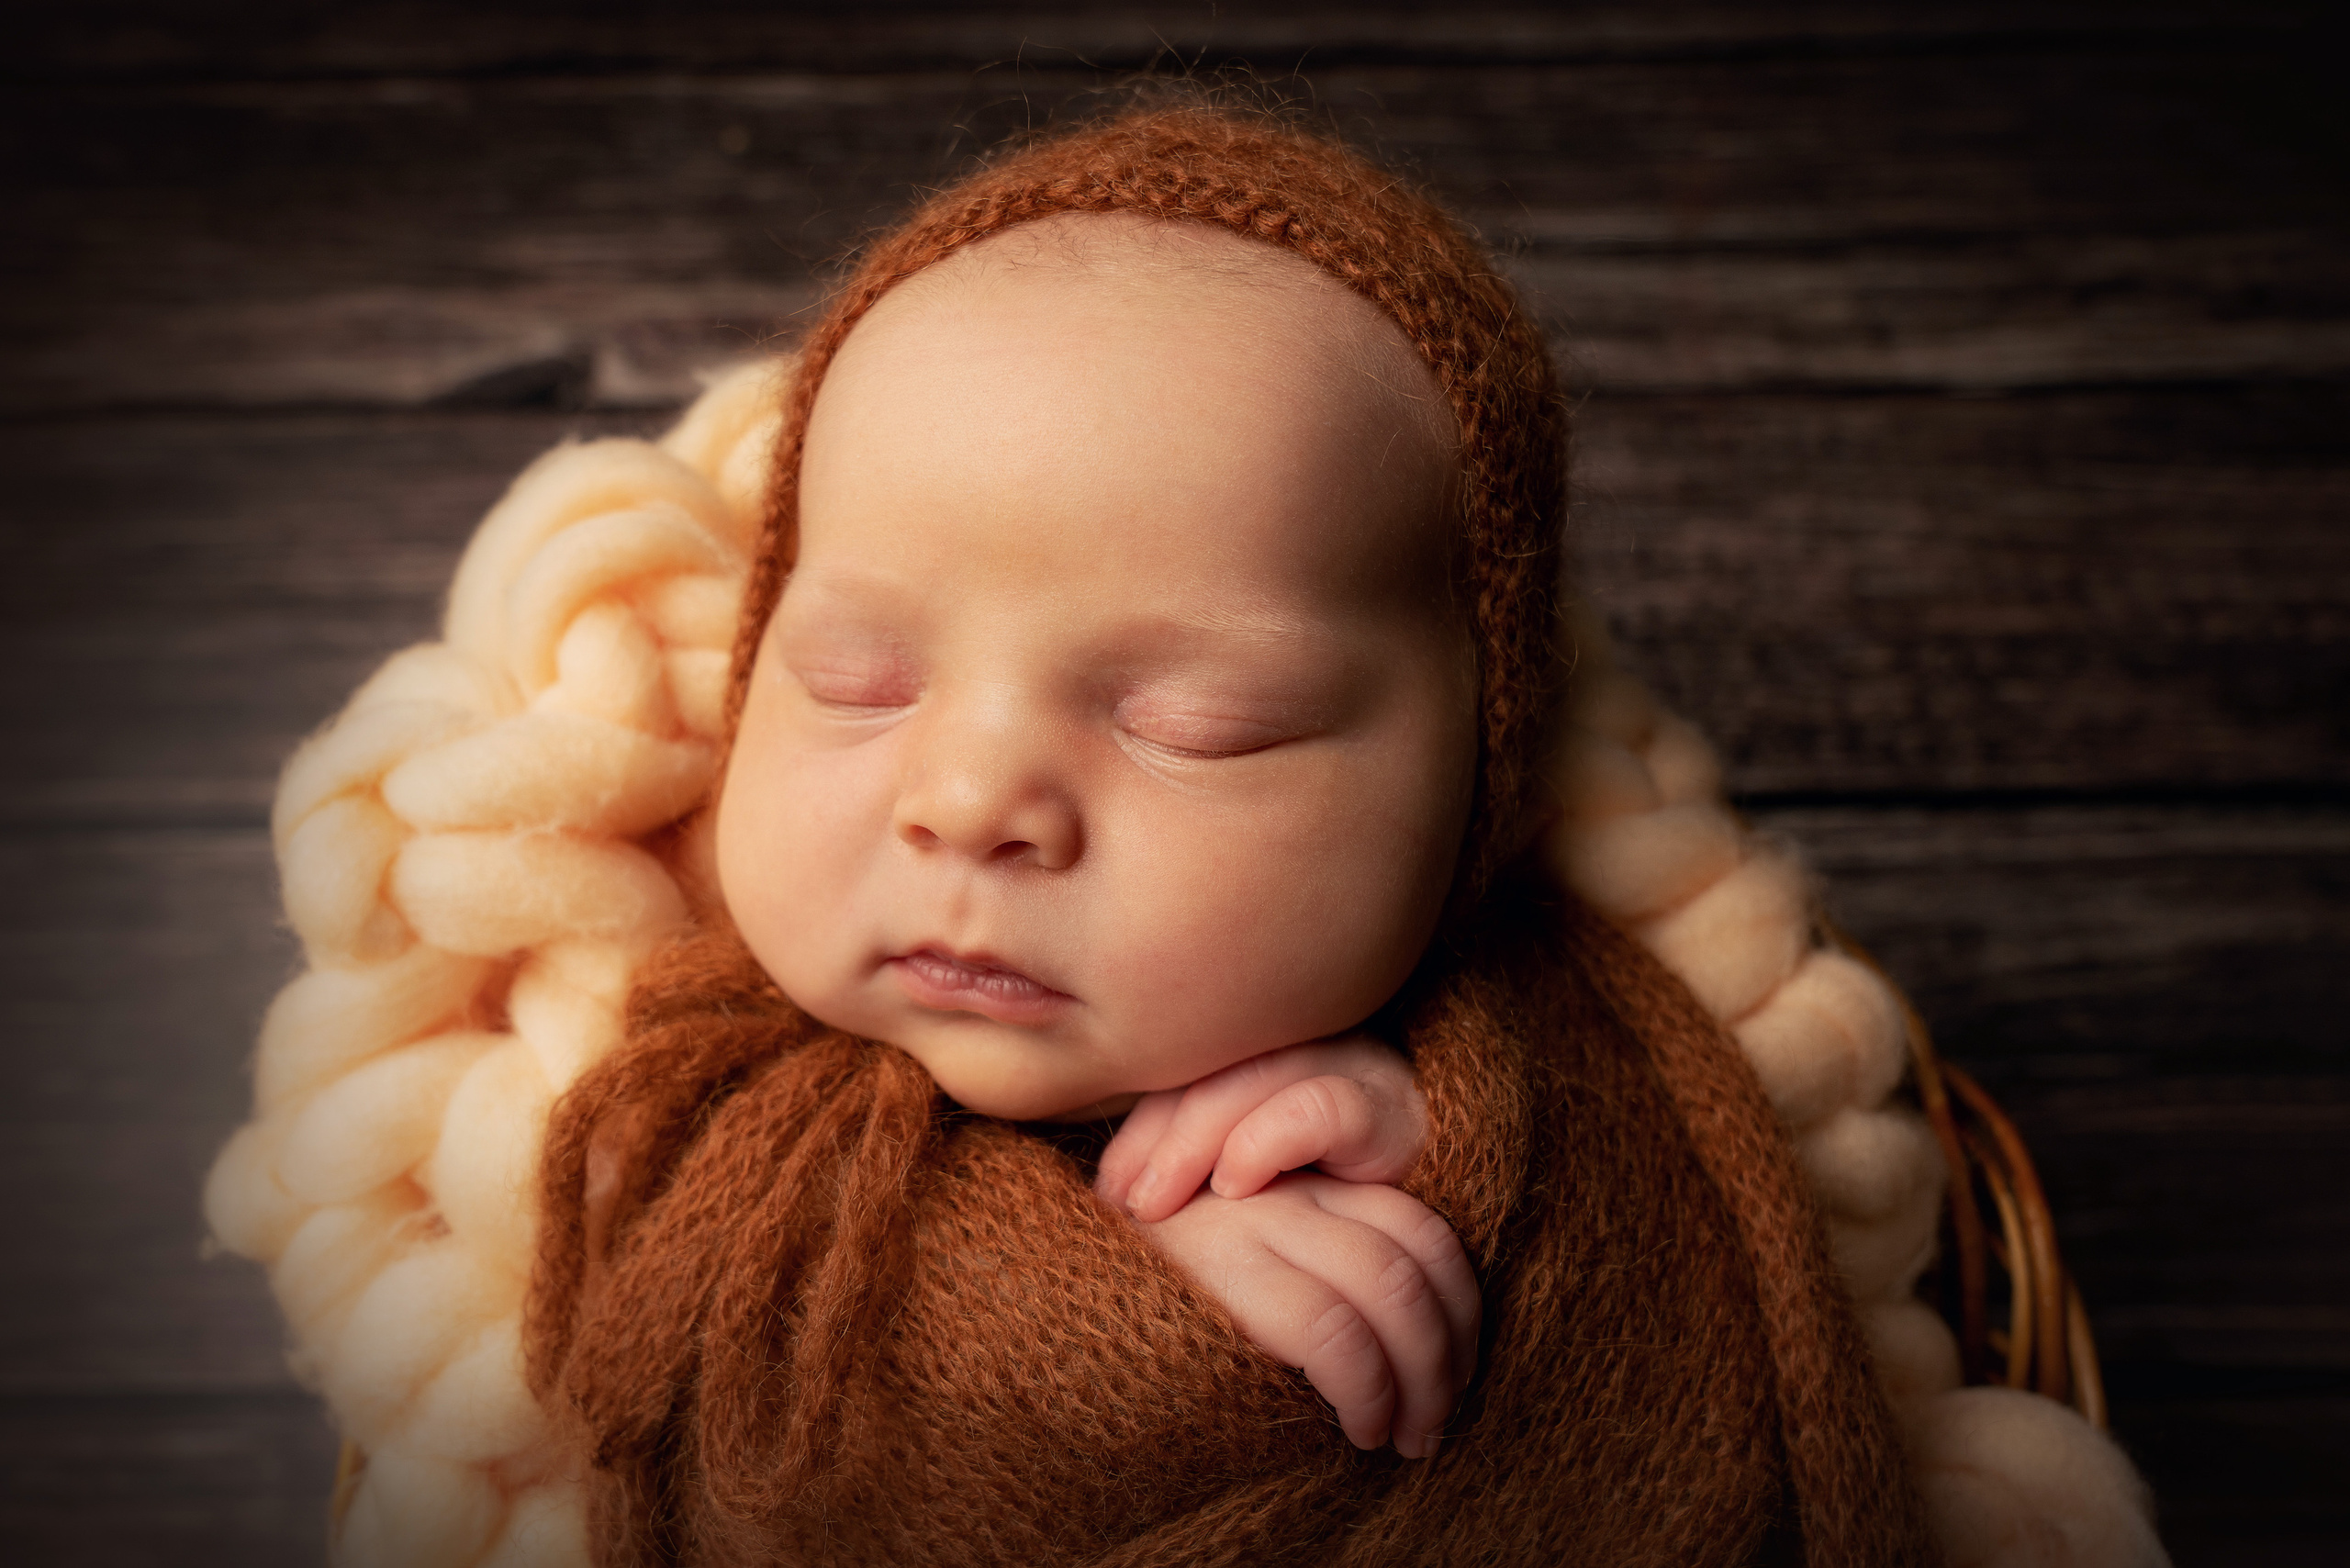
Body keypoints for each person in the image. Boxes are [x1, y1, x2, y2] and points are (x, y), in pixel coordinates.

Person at [523, 105, 1939, 1565]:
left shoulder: (1565, 1058)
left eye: (1200, 723)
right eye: (855, 685)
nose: (965, 802)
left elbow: (1679, 1369)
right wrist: (1112, 1297)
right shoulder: (684, 1098)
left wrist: (1472, 1171)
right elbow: (704, 1390)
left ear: (1477, 779)